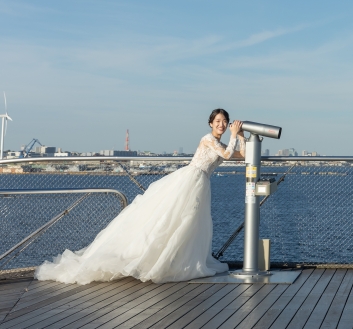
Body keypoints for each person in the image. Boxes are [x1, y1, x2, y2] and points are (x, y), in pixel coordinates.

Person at [35, 109, 246, 284]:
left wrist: (242, 136)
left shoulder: (220, 143)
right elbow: (228, 154)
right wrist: (234, 134)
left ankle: (178, 260)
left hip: (201, 184)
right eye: (218, 121)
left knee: (190, 223)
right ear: (210, 123)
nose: (222, 124)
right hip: (190, 181)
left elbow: (240, 155)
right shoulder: (208, 139)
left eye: (225, 122)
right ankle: (152, 258)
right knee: (170, 219)